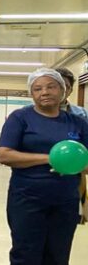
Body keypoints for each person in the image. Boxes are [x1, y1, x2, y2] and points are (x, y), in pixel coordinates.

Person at [0, 68, 87, 265]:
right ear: (32, 94)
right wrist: (50, 158)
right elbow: (4, 154)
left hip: (65, 203)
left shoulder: (77, 123)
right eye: (37, 88)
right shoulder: (20, 118)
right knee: (26, 258)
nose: (44, 92)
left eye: (51, 86)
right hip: (27, 200)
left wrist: (74, 165)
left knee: (57, 259)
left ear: (63, 90)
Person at [55, 67, 88, 223]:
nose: (61, 90)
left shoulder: (81, 115)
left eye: (66, 86)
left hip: (74, 178)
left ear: (71, 90)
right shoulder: (28, 114)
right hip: (39, 179)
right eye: (57, 85)